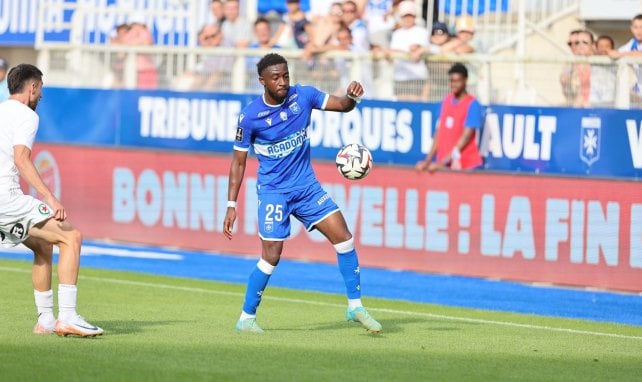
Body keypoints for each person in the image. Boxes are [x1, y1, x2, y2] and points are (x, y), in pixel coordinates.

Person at [223, 53, 382, 334]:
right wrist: (231, 204)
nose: (283, 81)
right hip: (274, 193)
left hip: (307, 188)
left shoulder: (304, 96)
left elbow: (342, 106)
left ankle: (355, 306)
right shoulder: (250, 117)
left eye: (285, 75)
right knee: (271, 256)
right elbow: (238, 162)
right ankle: (246, 318)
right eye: (275, 77)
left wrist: (352, 97)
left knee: (343, 238)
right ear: (262, 81)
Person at [0, 64, 103, 337]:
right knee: (72, 237)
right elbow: (21, 159)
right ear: (32, 88)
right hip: (6, 199)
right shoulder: (26, 116)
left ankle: (45, 320)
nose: (41, 97)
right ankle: (68, 317)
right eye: (40, 91)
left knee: (43, 245)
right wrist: (50, 197)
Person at [416, 63, 483, 173]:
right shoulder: (446, 101)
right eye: (452, 81)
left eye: (457, 81)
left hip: (465, 166)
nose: (454, 84)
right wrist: (427, 161)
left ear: (465, 80)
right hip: (445, 166)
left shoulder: (472, 104)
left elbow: (464, 139)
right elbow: (439, 133)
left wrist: (442, 162)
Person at [608, 14, 642, 105]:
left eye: (641, 27)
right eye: (636, 27)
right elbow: (613, 53)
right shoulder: (632, 43)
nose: (639, 31)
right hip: (637, 94)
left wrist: (622, 54)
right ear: (631, 28)